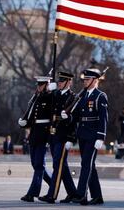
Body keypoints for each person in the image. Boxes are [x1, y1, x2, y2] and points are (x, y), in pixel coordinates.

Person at [39, 72, 78, 204]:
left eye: (62, 81)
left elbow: (74, 121)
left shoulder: (73, 97)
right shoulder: (55, 94)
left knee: (57, 165)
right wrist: (48, 90)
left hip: (63, 136)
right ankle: (73, 193)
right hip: (53, 134)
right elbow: (43, 102)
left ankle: (52, 195)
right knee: (62, 166)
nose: (60, 83)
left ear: (69, 82)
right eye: (59, 81)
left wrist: (71, 139)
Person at [71, 68, 108, 205]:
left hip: (93, 135)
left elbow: (103, 118)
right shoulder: (83, 95)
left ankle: (81, 194)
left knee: (86, 164)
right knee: (89, 164)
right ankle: (97, 196)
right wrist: (67, 115)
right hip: (82, 134)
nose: (85, 81)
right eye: (84, 79)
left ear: (95, 80)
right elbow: (77, 114)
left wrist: (101, 137)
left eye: (87, 79)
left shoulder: (100, 96)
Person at [18, 76, 53, 202]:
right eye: (38, 84)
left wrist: (50, 137)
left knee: (39, 165)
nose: (38, 86)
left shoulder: (49, 98)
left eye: (41, 85)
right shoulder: (36, 97)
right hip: (34, 134)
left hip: (43, 135)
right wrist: (24, 123)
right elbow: (32, 115)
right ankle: (54, 184)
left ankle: (31, 193)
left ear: (47, 85)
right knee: (35, 164)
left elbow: (52, 119)